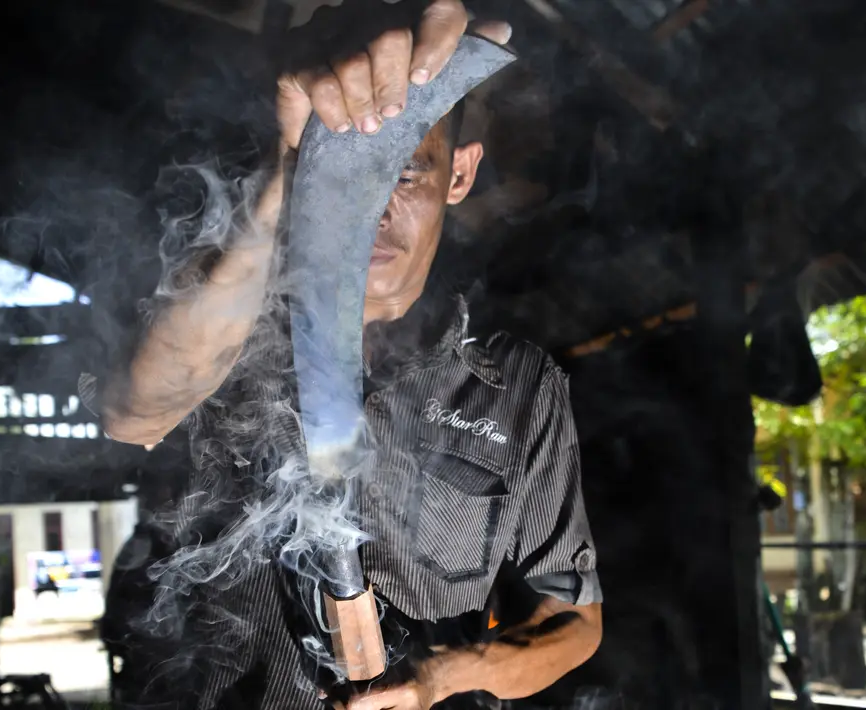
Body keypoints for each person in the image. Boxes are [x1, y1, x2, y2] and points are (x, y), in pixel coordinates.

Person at [90, 2, 602, 708]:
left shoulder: (517, 386)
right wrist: (293, 169)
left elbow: (573, 621)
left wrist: (439, 679)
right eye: (355, 175)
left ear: (458, 175)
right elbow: (133, 415)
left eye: (405, 172)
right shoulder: (227, 336)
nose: (374, 208)